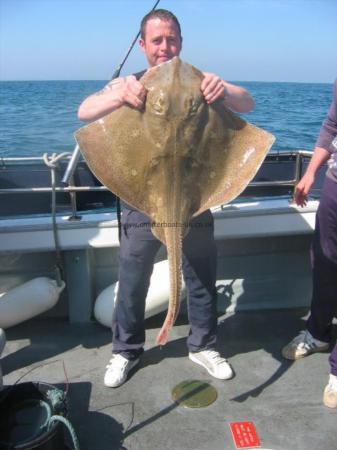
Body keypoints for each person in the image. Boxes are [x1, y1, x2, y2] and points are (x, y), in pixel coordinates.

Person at [78, 9, 255, 388]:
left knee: (202, 276)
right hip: (142, 200)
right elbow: (84, 111)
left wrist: (224, 90)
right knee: (132, 277)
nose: (165, 47)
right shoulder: (130, 83)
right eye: (157, 40)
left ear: (181, 42)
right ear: (142, 45)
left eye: (171, 39)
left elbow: (247, 104)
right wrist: (118, 96)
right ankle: (126, 350)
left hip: (197, 196)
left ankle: (203, 345)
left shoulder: (203, 83)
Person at [281, 79, 337, 408]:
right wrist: (310, 172)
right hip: (334, 184)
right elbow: (332, 124)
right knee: (324, 261)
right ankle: (317, 332)